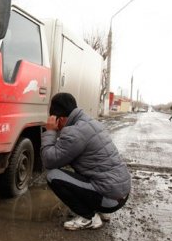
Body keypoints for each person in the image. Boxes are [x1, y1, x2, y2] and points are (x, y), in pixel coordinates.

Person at [41, 93, 131, 230]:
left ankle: (88, 217)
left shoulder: (74, 132)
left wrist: (50, 132)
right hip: (120, 193)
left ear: (60, 119)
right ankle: (100, 210)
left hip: (109, 199)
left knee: (53, 176)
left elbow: (49, 160)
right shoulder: (89, 122)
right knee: (84, 170)